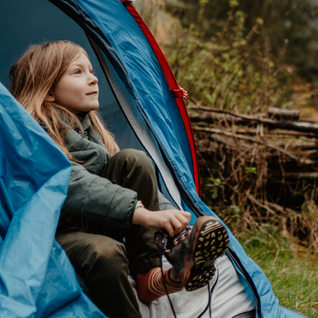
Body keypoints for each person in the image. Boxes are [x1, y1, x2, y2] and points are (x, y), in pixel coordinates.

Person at [9, 41, 229, 318]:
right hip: (53, 232)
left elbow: (136, 187)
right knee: (106, 251)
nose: (93, 78)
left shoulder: (91, 131)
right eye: (77, 72)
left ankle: (152, 271)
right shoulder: (33, 134)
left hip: (97, 220)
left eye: (91, 70)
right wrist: (143, 215)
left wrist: (173, 221)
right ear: (49, 91)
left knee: (133, 160)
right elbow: (69, 181)